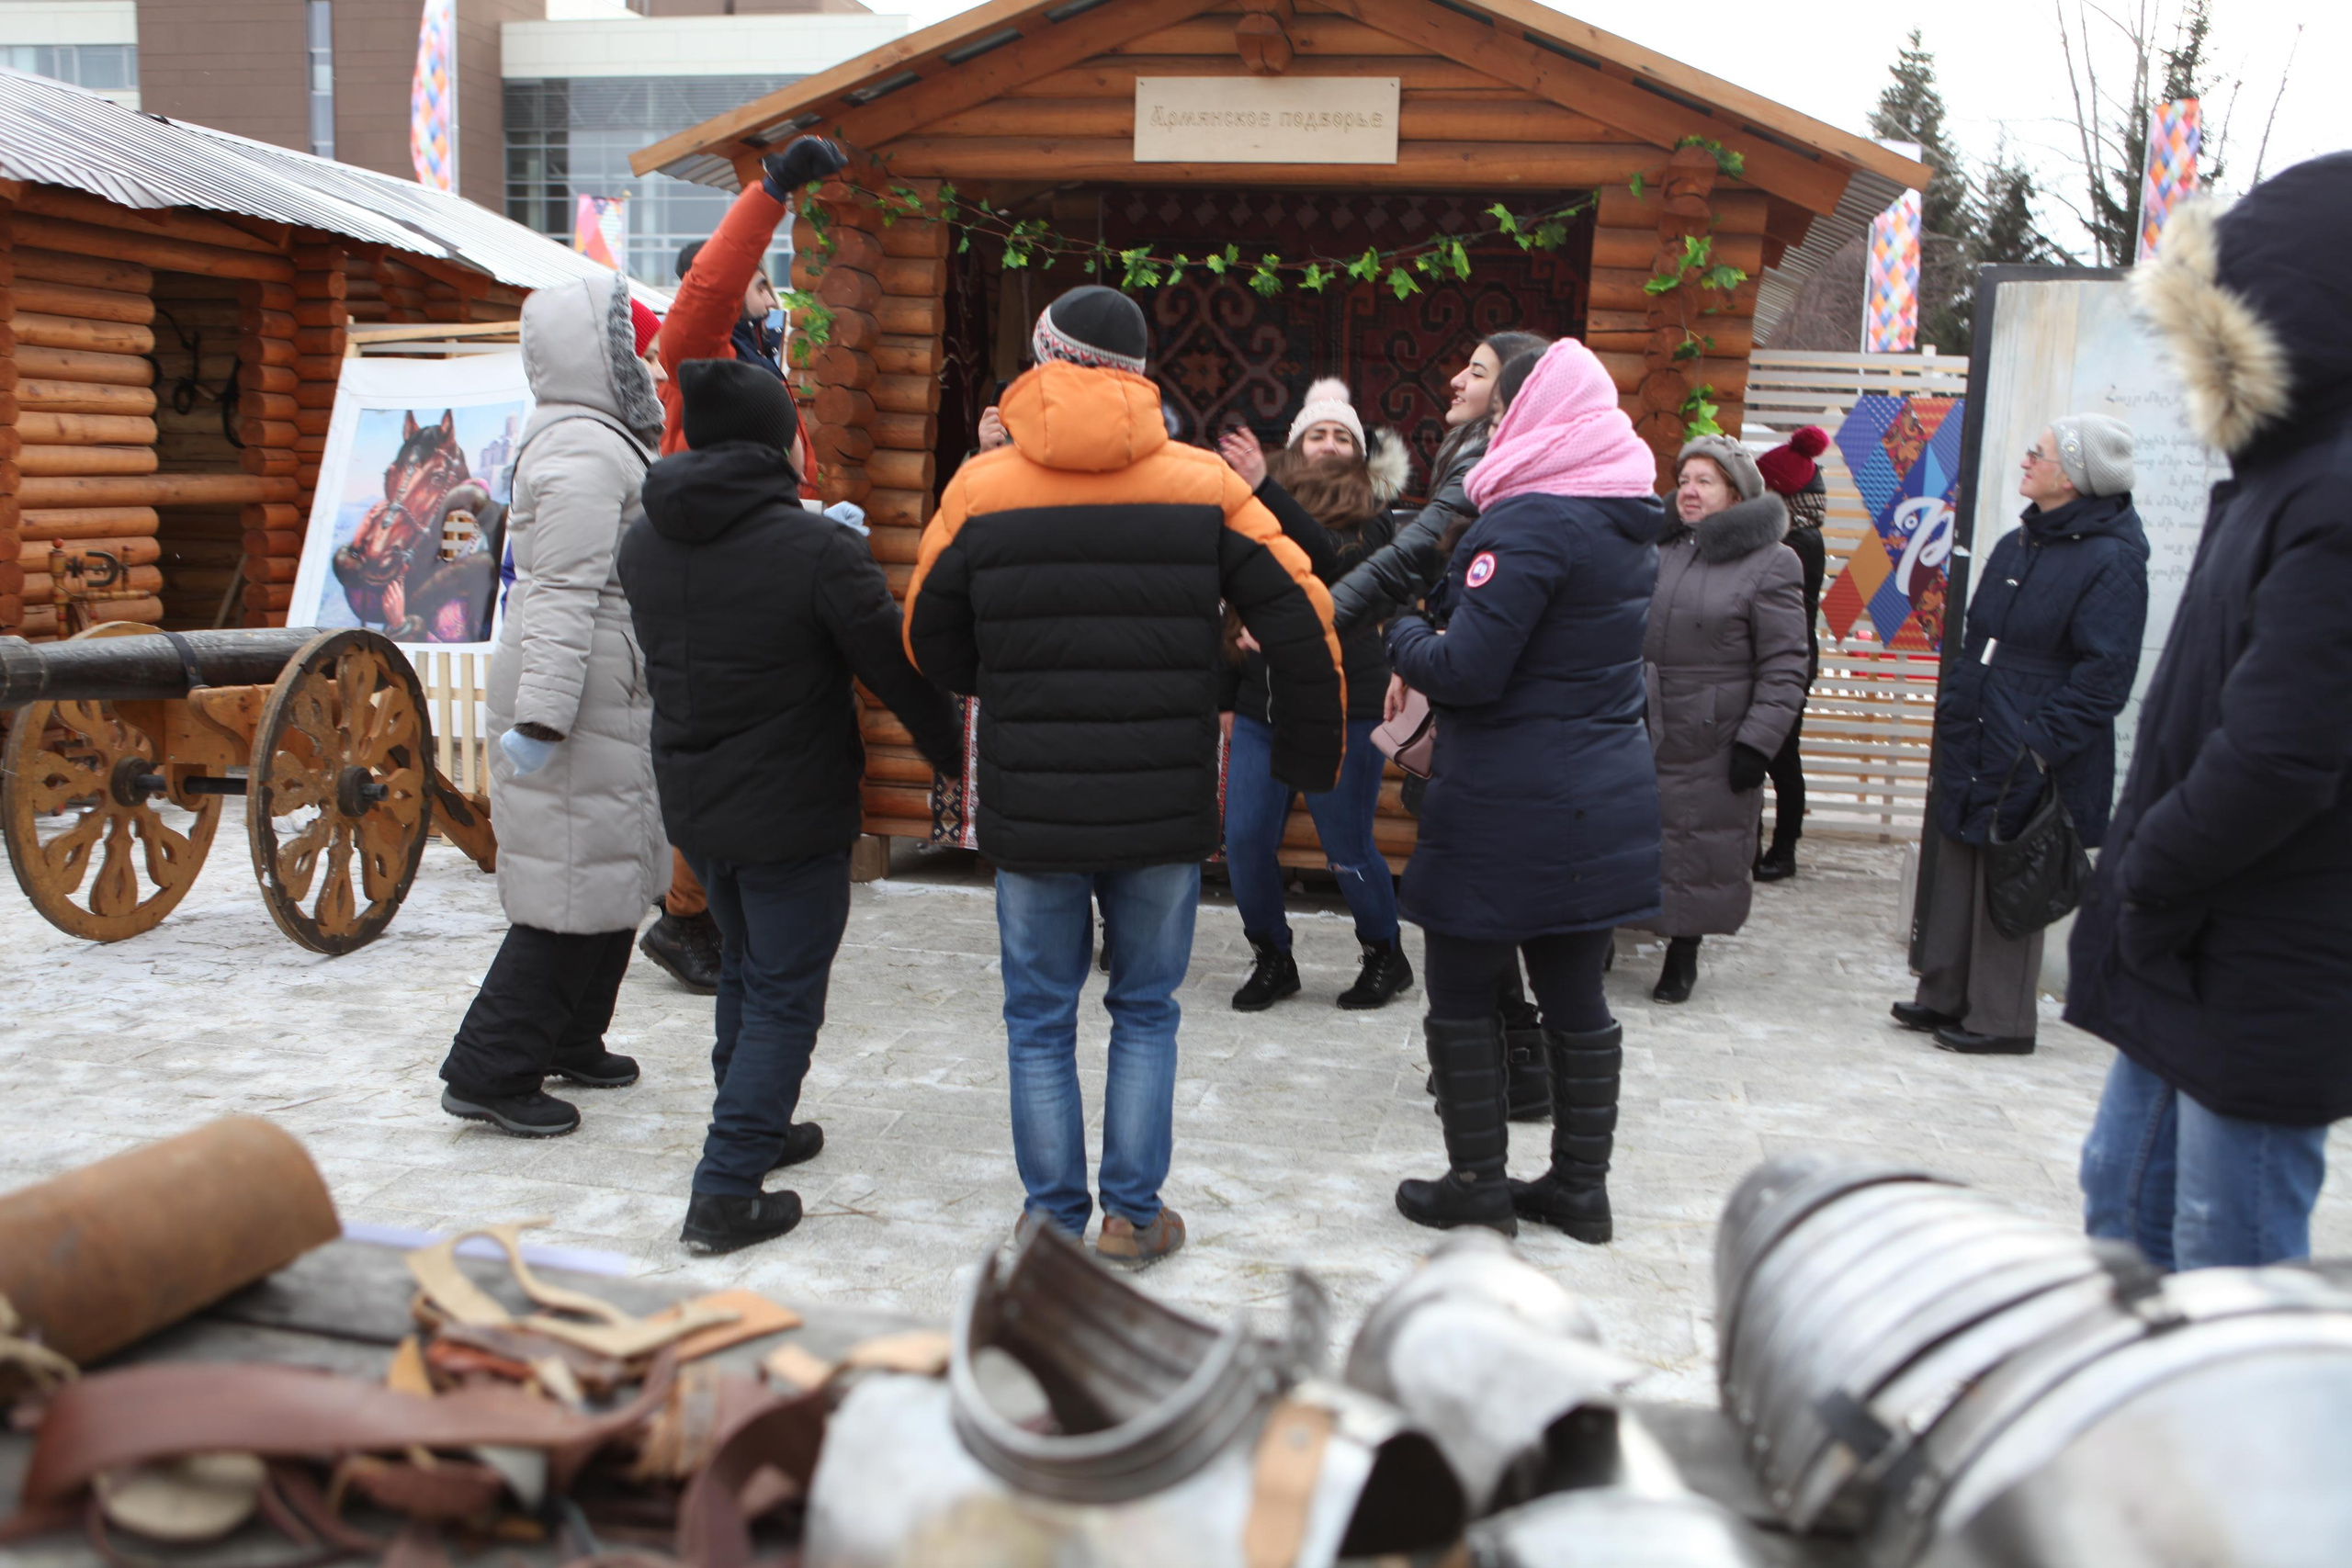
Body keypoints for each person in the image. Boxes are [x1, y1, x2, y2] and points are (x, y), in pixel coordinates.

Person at [903, 286, 1345, 1268]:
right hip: (1160, 806)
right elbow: (1301, 619)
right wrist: (1313, 754)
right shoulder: (1203, 485)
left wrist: (1006, 679)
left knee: (1037, 1016)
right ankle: (1133, 1218)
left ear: (1044, 363)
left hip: (1032, 802)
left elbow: (927, 637)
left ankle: (1052, 1223)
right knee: (1146, 1010)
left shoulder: (984, 487)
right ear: (1141, 375)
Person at [2071, 154, 2352, 1270]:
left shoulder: (2335, 495)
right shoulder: (2286, 477)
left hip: (2261, 952)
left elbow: (2280, 758)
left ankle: (2246, 1453)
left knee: (2224, 1267)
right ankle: (2139, 1444)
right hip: (2191, 944)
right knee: (2122, 1223)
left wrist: (2147, 872)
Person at [619, 357, 962, 1254]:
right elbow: (893, 667)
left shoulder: (645, 538)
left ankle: (758, 1128)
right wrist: (950, 756)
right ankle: (726, 1189)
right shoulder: (815, 550)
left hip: (696, 803)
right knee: (781, 995)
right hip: (792, 808)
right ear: (779, 440)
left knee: (744, 970)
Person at [1383, 338, 1667, 1239]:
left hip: (1509, 798)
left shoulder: (1533, 520)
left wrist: (1396, 634)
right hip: (1600, 788)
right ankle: (1581, 1189)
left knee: (1462, 989)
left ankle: (1478, 1185)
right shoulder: (1619, 521)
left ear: (1539, 412)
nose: (1496, 411)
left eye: (1506, 396)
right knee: (1575, 993)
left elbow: (1467, 670)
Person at [437, 271, 669, 1138]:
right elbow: (563, 591)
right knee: (570, 886)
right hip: (573, 689)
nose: (647, 362)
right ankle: (489, 1068)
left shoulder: (601, 440)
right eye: (633, 348)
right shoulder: (584, 449)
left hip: (606, 680)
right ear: (600, 357)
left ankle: (574, 1031)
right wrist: (542, 716)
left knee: (610, 872)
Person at [634, 133, 851, 997]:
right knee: (728, 760)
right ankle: (687, 917)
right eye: (763, 282)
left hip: (759, 562)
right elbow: (716, 287)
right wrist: (773, 192)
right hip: (722, 578)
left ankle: (707, 916)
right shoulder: (705, 352)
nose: (770, 294)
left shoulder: (759, 359)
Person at [1894, 416, 2147, 1055]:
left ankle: (2001, 1019)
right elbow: (1979, 637)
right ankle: (1946, 993)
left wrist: (2039, 743)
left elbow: (2104, 676)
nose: (2026, 460)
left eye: (2040, 453)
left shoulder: (2112, 559)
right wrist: (1957, 700)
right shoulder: (2019, 541)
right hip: (1980, 721)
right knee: (1958, 852)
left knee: (2012, 867)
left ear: (2073, 474)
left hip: (2033, 737)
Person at [1215, 378, 1413, 1011]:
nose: (1328, 445)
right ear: (1298, 446)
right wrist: (1225, 689)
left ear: (1358, 453)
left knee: (1346, 843)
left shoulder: (1375, 515)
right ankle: (1273, 956)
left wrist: (1264, 488)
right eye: (1316, 433)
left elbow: (1333, 568)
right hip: (1262, 704)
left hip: (1346, 702)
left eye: (1341, 435)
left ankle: (1386, 952)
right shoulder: (1250, 508)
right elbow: (1226, 600)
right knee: (1244, 840)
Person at [1641, 436, 1810, 1004]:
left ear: (1735, 493)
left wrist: (1758, 743)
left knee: (1697, 844)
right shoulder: (1657, 548)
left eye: (1704, 481)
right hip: (1638, 720)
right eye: (1684, 479)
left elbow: (1786, 664)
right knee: (1625, 836)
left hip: (1711, 733)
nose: (1688, 491)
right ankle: (1601, 939)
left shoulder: (1772, 562)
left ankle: (1682, 952)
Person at [1324, 330, 1550, 635]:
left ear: (1511, 392)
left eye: (1477, 374)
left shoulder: (1485, 470)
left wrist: (1316, 618)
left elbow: (1413, 557)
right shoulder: (1485, 458)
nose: (1457, 380)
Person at [1752, 427, 1829, 882]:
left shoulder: (1798, 545)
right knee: (1776, 755)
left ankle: (1783, 851)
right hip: (1787, 659)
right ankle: (1766, 848)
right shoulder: (1799, 539)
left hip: (1788, 663)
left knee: (1780, 756)